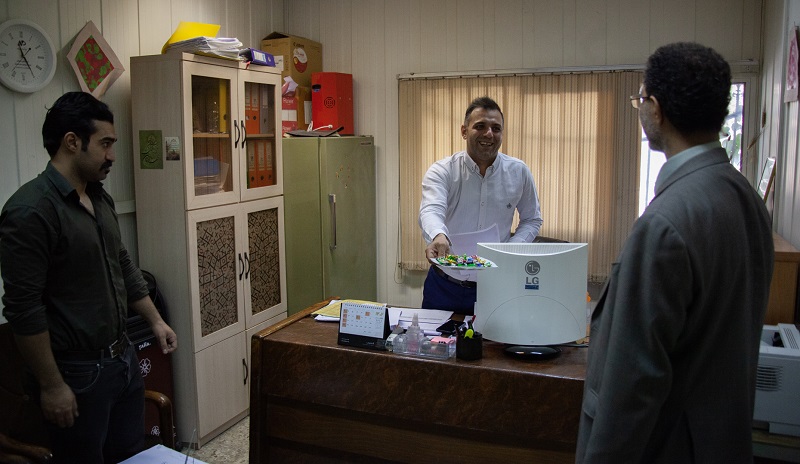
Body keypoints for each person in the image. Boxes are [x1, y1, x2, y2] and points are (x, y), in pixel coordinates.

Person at [575, 43, 774, 463]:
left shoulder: (665, 224)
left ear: (656, 108)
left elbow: (631, 385)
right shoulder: (745, 197)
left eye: (640, 100)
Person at [0, 91, 178, 463]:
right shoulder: (31, 211)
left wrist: (155, 320)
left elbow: (122, 264)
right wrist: (52, 386)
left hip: (121, 359)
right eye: (105, 144)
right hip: (76, 373)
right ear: (72, 142)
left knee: (129, 454)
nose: (112, 155)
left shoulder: (98, 198)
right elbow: (23, 309)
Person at [418, 96, 543, 314]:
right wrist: (438, 235)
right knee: (434, 336)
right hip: (443, 286)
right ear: (464, 131)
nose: (489, 134)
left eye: (496, 128)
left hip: (495, 286)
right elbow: (431, 209)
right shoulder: (443, 170)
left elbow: (532, 219)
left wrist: (510, 249)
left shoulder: (518, 172)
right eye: (480, 126)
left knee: (492, 338)